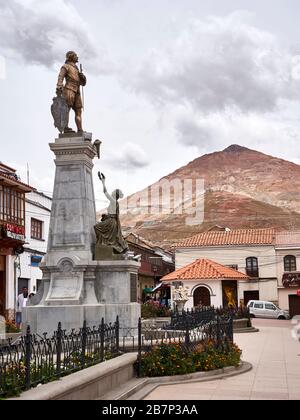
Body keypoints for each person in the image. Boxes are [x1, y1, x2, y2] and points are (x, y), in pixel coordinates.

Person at [94, 172, 128, 254]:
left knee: (97, 227)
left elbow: (105, 192)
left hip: (111, 222)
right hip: (112, 222)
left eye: (113, 192)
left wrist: (103, 182)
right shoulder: (114, 202)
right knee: (99, 228)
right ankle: (104, 244)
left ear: (114, 194)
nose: (112, 193)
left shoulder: (113, 201)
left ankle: (103, 244)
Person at [56, 51, 87, 133]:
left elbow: (83, 83)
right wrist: (59, 85)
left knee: (78, 111)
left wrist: (83, 77)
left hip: (77, 91)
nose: (77, 57)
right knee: (67, 109)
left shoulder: (77, 69)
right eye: (75, 55)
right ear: (71, 57)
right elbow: (60, 76)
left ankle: (80, 129)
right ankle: (65, 127)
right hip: (69, 89)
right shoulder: (65, 66)